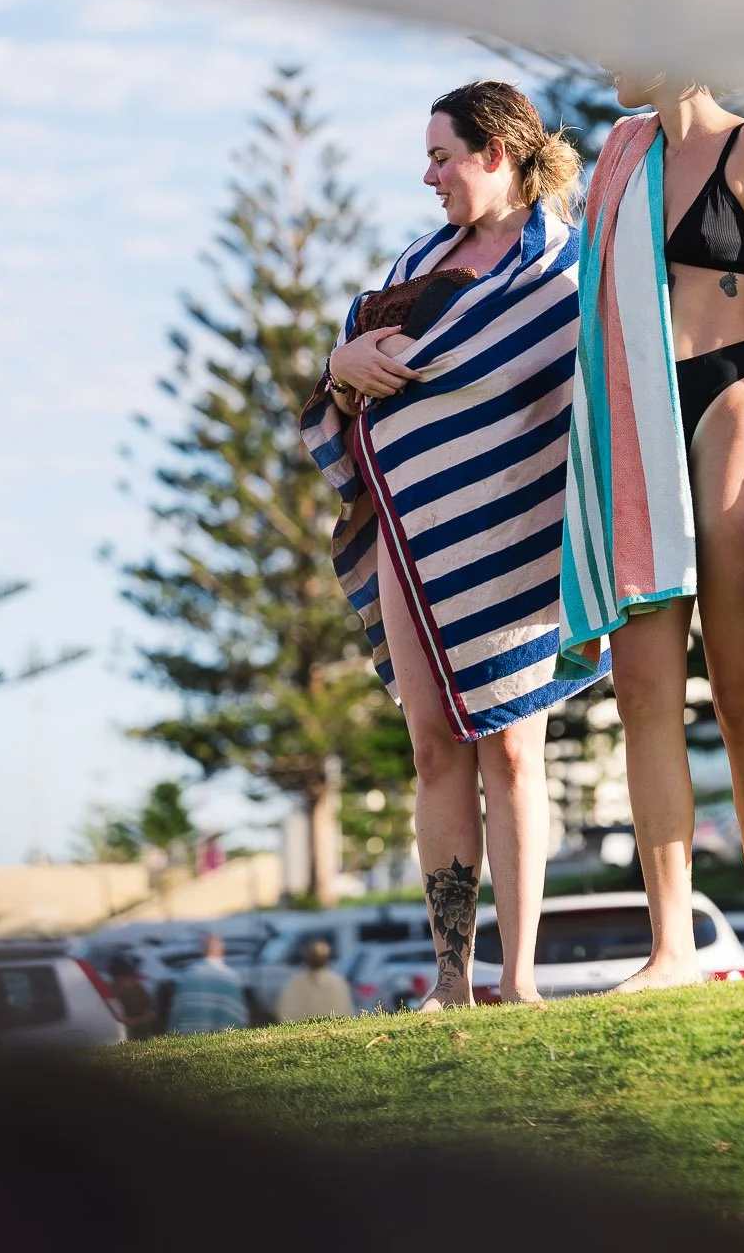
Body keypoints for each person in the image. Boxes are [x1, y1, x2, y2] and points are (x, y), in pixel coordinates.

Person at [301, 80, 606, 1009]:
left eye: (442, 157)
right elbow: (359, 363)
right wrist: (340, 365)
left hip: (517, 539)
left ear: (496, 154)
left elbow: (586, 394)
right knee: (434, 751)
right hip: (411, 531)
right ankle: (451, 979)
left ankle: (519, 979)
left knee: (511, 753)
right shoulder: (419, 259)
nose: (429, 177)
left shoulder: (565, 270)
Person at [560, 77, 744, 990]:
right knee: (643, 692)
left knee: (739, 691)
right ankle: (672, 948)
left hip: (738, 398)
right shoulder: (623, 157)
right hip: (635, 421)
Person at [164, 932, 249, 1035]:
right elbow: (237, 1016)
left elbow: (177, 1013)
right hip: (219, 1040)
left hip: (187, 1038)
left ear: (203, 951)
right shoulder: (231, 978)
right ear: (222, 950)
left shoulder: (187, 976)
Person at [275, 939, 352, 1023]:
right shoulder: (336, 981)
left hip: (311, 1028)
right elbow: (342, 1011)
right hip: (317, 1028)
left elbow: (285, 1012)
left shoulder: (296, 981)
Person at [106, 954, 158, 1039]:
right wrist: (141, 1020)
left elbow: (150, 1005)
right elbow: (117, 1021)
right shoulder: (111, 994)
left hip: (145, 1034)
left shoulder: (137, 988)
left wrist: (150, 1014)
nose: (130, 980)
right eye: (125, 978)